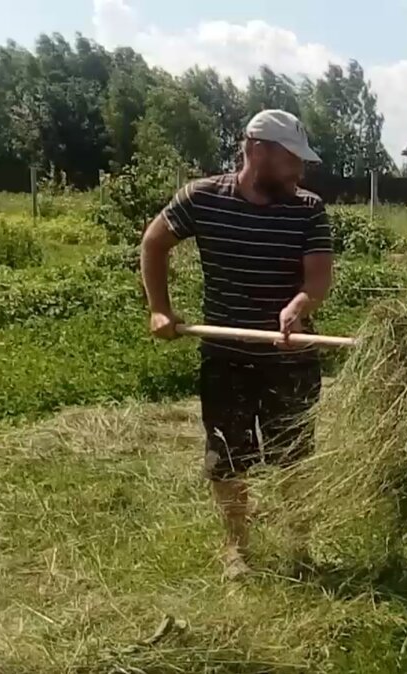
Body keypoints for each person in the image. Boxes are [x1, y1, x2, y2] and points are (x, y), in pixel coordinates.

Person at [139, 110, 333, 580]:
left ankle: (298, 549)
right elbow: (153, 243)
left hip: (291, 358)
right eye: (292, 160)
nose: (299, 172)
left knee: (294, 456)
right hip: (226, 356)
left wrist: (300, 306)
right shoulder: (203, 198)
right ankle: (237, 551)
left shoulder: (308, 209)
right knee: (227, 458)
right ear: (257, 150)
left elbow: (319, 280)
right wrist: (160, 308)